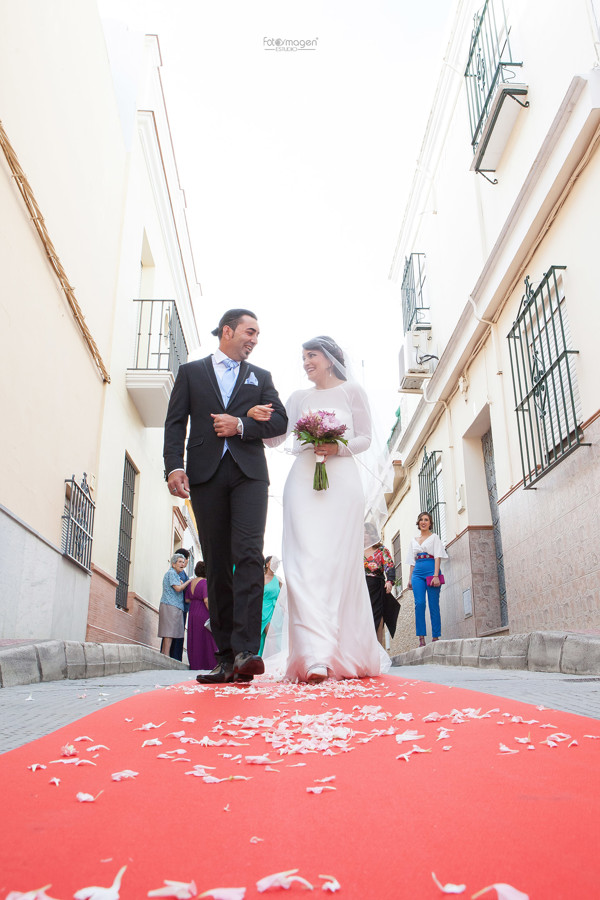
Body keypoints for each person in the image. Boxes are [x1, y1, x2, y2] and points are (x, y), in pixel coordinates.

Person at [249, 335, 386, 684]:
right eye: (304, 357)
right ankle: (313, 656)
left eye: (311, 355)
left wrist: (335, 447)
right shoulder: (297, 398)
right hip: (302, 484)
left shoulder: (352, 392)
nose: (306, 362)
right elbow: (277, 439)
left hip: (341, 484)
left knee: (336, 566)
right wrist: (256, 419)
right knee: (302, 564)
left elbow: (366, 438)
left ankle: (337, 652)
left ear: (329, 358)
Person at [163, 308, 288, 684]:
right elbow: (175, 423)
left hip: (249, 474)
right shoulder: (191, 372)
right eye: (250, 332)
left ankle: (248, 651)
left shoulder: (261, 378)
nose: (254, 339)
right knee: (217, 563)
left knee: (248, 555)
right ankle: (225, 658)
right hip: (205, 474)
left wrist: (243, 425)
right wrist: (174, 467)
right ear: (228, 331)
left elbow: (280, 421)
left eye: (258, 335)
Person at [406, 511, 448, 646]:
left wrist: (436, 575)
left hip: (431, 570)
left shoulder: (435, 537)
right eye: (421, 520)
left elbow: (438, 557)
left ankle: (435, 637)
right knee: (419, 604)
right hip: (417, 572)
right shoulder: (413, 541)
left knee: (433, 604)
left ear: (430, 523)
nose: (423, 522)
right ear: (418, 523)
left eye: (426, 520)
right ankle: (421, 638)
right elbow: (412, 562)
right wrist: (409, 578)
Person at [363, 523, 398, 645]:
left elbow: (389, 566)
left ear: (372, 534)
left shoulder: (381, 550)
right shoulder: (355, 551)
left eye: (366, 532)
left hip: (377, 587)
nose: (364, 535)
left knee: (378, 617)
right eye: (362, 532)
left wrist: (389, 581)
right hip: (361, 589)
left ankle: (378, 648)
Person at [184, 561, 218, 670]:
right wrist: (214, 614)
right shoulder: (205, 583)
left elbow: (187, 599)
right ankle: (209, 663)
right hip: (203, 612)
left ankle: (195, 664)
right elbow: (207, 600)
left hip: (193, 612)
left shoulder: (191, 582)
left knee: (194, 638)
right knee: (207, 638)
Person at [158, 553, 192, 656]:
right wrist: (188, 582)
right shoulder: (172, 573)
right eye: (179, 562)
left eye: (183, 562)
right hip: (170, 605)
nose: (182, 564)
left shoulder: (174, 575)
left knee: (169, 633)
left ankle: (164, 655)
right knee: (169, 633)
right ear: (173, 564)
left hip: (172, 605)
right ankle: (166, 656)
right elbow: (177, 589)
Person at [260, 555, 282, 655]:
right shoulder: (261, 578)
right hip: (263, 611)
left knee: (276, 637)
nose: (276, 565)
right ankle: (273, 659)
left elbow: (282, 596)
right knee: (270, 634)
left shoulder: (278, 580)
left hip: (276, 611)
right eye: (274, 562)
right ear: (267, 564)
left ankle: (271, 659)